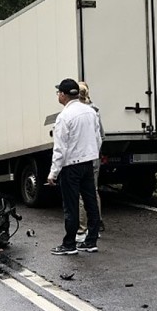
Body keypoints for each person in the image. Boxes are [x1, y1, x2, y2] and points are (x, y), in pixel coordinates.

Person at [47, 78, 102, 255]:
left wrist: (53, 173)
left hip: (71, 166)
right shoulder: (90, 112)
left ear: (63, 95)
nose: (58, 95)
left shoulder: (64, 117)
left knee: (70, 206)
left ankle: (69, 243)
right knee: (90, 202)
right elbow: (97, 137)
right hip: (89, 163)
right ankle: (91, 240)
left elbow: (60, 148)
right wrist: (93, 153)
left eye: (58, 93)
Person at [76, 81, 104, 243]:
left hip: (83, 157)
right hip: (94, 157)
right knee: (93, 190)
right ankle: (97, 224)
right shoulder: (95, 111)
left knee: (81, 194)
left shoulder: (80, 113)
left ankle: (82, 229)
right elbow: (102, 135)